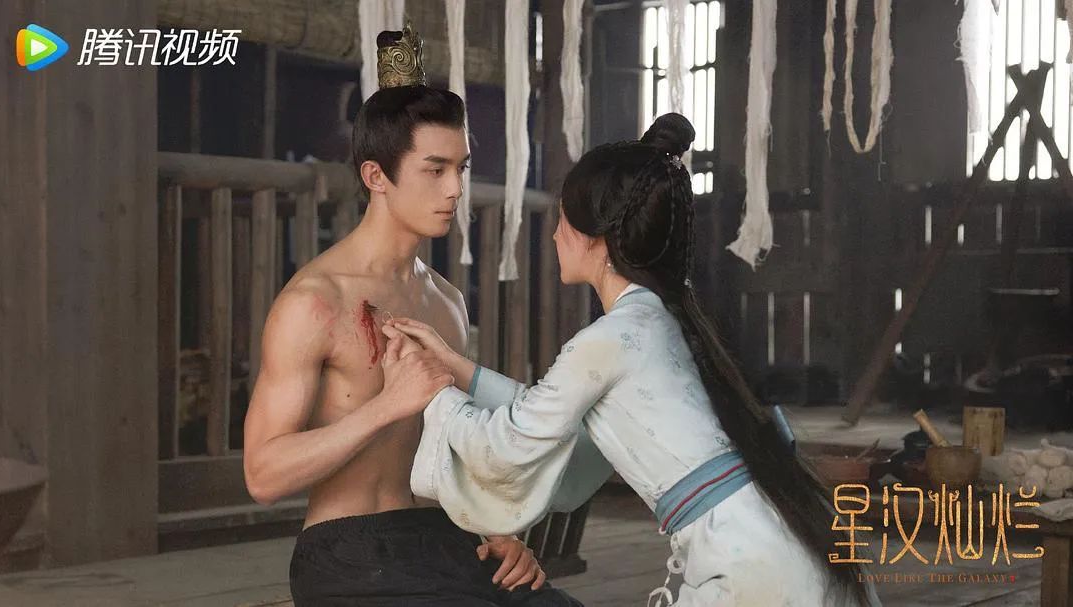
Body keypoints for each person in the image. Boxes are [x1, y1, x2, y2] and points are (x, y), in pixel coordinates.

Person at [384, 113, 881, 606]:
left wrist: (433, 390)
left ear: (597, 238)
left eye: (563, 221)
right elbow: (559, 425)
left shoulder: (610, 338)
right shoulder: (657, 316)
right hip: (761, 534)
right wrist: (455, 366)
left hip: (746, 556)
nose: (554, 236)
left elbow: (511, 445)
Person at [243, 23, 582, 607]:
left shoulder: (444, 301)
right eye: (435, 169)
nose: (455, 189)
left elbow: (452, 445)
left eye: (462, 168)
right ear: (376, 175)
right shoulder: (315, 302)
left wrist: (495, 529)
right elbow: (263, 475)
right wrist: (387, 405)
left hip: (448, 538)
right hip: (349, 551)